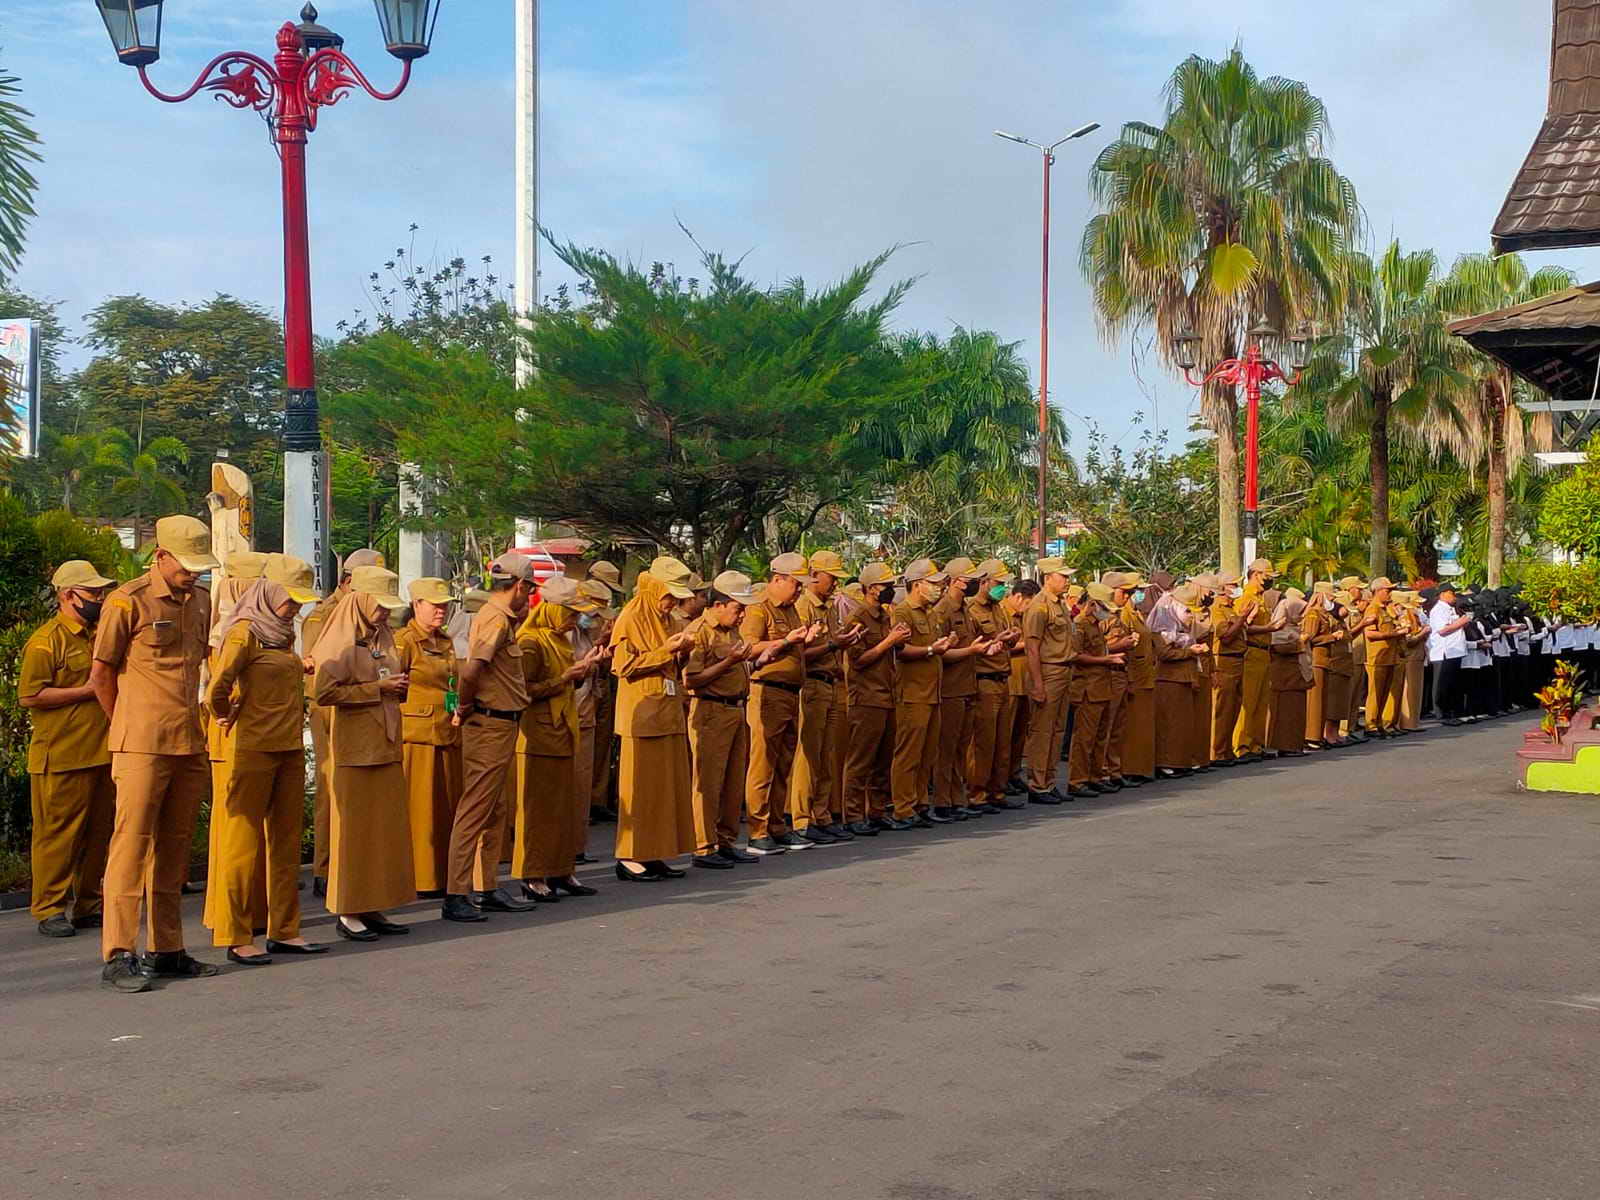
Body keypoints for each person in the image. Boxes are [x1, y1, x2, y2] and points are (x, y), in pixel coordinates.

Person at [90, 515, 220, 992]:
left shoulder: (202, 601)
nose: (195, 574)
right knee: (130, 844)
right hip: (141, 742)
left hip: (188, 740)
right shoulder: (127, 601)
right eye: (187, 565)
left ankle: (167, 948)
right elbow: (101, 671)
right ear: (160, 556)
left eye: (200, 567)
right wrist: (123, 723)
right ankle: (119, 952)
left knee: (175, 847)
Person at [205, 555, 324, 963]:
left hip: (289, 747)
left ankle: (285, 930)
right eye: (289, 599)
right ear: (269, 592)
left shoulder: (282, 635)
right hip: (252, 749)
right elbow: (216, 689)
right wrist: (226, 712)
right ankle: (235, 935)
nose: (295, 608)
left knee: (287, 843)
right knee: (241, 846)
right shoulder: (245, 634)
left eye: (299, 602)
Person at [311, 566, 417, 941]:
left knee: (381, 832)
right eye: (381, 606)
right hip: (355, 748)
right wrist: (377, 688)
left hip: (386, 743)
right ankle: (347, 909)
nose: (386, 613)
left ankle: (373, 904)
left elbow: (389, 678)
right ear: (360, 600)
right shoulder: (338, 639)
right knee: (353, 834)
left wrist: (394, 688)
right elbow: (324, 693)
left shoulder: (382, 635)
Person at [21, 560, 117, 939]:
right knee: (57, 836)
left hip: (103, 751)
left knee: (99, 834)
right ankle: (49, 908)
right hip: (61, 754)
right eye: (92, 593)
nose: (100, 598)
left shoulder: (100, 634)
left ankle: (89, 904)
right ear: (67, 596)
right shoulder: (46, 642)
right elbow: (30, 695)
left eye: (100, 592)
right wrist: (87, 690)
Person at [444, 553, 540, 920]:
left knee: (495, 809)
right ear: (520, 586)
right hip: (489, 723)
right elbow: (472, 672)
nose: (529, 596)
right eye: (529, 589)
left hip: (501, 723)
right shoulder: (495, 619)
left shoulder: (500, 618)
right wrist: (465, 707)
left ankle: (486, 886)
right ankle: (456, 892)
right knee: (474, 810)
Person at [513, 576, 605, 899]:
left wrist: (583, 672)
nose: (573, 620)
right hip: (538, 733)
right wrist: (566, 676)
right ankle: (534, 874)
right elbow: (523, 691)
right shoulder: (530, 642)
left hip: (564, 729)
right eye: (569, 613)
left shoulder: (561, 639)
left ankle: (562, 870)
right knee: (539, 808)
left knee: (566, 805)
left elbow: (565, 684)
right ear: (551, 609)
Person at [301, 547, 385, 898]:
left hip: (368, 705)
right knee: (333, 785)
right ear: (350, 581)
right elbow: (318, 671)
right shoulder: (324, 617)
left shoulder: (373, 618)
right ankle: (326, 864)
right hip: (331, 709)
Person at [610, 556, 698, 879]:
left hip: (669, 711)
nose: (672, 602)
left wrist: (684, 648)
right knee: (639, 788)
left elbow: (675, 659)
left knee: (665, 788)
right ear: (654, 587)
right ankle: (631, 856)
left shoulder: (671, 618)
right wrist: (665, 650)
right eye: (669, 594)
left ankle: (655, 851)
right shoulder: (631, 616)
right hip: (642, 717)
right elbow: (623, 665)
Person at [202, 549, 268, 934]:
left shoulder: (256, 627)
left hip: (247, 732)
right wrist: (228, 709)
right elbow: (217, 689)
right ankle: (229, 912)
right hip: (233, 733)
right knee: (234, 827)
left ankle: (251, 910)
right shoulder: (233, 631)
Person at [740, 552, 820, 853]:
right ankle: (757, 830)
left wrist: (804, 640)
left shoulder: (790, 611)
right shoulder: (759, 610)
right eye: (795, 584)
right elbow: (747, 648)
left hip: (789, 693)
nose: (799, 590)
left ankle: (777, 825)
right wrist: (786, 642)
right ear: (776, 580)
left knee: (784, 762)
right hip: (767, 691)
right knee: (763, 764)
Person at [683, 571, 762, 868]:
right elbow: (692, 680)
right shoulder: (699, 631)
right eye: (737, 608)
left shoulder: (731, 631)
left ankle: (726, 840)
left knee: (732, 781)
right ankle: (704, 845)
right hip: (711, 710)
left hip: (736, 709)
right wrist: (729, 662)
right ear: (719, 604)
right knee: (708, 781)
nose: (742, 615)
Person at [394, 577, 461, 898]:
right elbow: (395, 685)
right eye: (435, 605)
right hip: (418, 735)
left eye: (445, 605)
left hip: (448, 730)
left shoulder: (444, 641)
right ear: (416, 605)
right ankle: (420, 878)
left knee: (445, 808)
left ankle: (441, 874)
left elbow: (451, 684)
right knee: (420, 810)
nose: (441, 611)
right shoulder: (404, 641)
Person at [791, 550, 859, 842]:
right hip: (812, 684)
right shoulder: (802, 607)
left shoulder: (829, 608)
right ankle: (802, 819)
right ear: (815, 575)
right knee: (808, 756)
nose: (834, 584)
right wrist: (834, 644)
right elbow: (799, 652)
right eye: (832, 577)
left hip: (831, 684)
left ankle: (822, 815)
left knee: (827, 754)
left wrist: (841, 643)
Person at [841, 562, 907, 833]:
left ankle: (877, 810)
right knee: (861, 760)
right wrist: (888, 642)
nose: (890, 591)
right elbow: (858, 660)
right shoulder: (857, 619)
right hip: (866, 696)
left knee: (883, 758)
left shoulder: (885, 615)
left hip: (887, 694)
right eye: (885, 586)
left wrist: (898, 640)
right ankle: (854, 815)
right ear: (869, 589)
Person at [889, 559, 953, 827]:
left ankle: (919, 802)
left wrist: (943, 646)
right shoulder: (903, 612)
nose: (939, 588)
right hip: (912, 692)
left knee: (927, 754)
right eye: (934, 584)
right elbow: (900, 651)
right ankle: (903, 807)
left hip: (932, 692)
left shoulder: (932, 613)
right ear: (917, 585)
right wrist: (931, 650)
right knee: (908, 754)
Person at [932, 557, 996, 822]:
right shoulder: (942, 611)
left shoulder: (965, 610)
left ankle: (957, 797)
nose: (975, 584)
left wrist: (990, 646)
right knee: (946, 749)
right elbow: (940, 654)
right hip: (950, 688)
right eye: (970, 579)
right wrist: (971, 650)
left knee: (961, 748)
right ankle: (942, 801)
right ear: (956, 581)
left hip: (967, 686)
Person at [1065, 582, 1127, 799]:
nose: (1107, 613)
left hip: (1102, 686)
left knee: (1101, 736)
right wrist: (1105, 659)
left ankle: (1095, 776)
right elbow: (1074, 655)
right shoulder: (1079, 625)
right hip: (1087, 688)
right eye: (1104, 608)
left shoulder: (1095, 626)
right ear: (1092, 604)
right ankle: (1077, 780)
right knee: (1084, 738)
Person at [966, 560, 1020, 811]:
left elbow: (1002, 640)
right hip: (983, 680)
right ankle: (977, 793)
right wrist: (997, 640)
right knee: (983, 743)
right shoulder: (971, 610)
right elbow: (973, 647)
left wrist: (1008, 640)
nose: (1002, 589)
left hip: (1002, 677)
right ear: (984, 582)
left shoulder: (1000, 609)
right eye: (998, 584)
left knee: (1002, 742)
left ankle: (997, 792)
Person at [1022, 559, 1076, 804]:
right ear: (1049, 578)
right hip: (1048, 671)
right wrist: (1037, 684)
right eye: (1063, 577)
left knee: (1057, 730)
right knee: (1042, 730)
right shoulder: (1039, 607)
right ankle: (1037, 784)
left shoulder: (1059, 605)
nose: (1067, 581)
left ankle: (1049, 780)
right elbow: (1032, 648)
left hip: (1064, 670)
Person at [1149, 582, 1208, 778]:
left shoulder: (1183, 632)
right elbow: (1164, 653)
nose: (1190, 616)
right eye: (1187, 611)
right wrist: (1188, 652)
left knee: (1182, 724)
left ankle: (1180, 760)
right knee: (1169, 723)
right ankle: (1166, 762)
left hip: (1184, 678)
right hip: (1168, 679)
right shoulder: (1162, 630)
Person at [584, 561, 623, 824]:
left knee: (601, 743)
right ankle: (582, 799)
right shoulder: (579, 614)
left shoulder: (606, 615)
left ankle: (597, 798)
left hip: (602, 679)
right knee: (584, 746)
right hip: (583, 682)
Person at [1108, 571, 1156, 785]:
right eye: (1129, 591)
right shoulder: (1123, 614)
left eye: (1136, 591)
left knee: (1134, 726)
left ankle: (1132, 768)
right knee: (1124, 727)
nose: (1134, 595)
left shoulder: (1136, 613)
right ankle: (1122, 769)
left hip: (1142, 674)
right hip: (1130, 675)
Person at [1233, 559, 1279, 762]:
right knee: (1249, 701)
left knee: (1261, 702)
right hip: (1251, 652)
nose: (1269, 580)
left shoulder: (1262, 598)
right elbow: (1243, 627)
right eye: (1267, 576)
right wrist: (1269, 629)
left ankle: (1256, 745)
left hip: (1264, 652)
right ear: (1256, 574)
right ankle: (1242, 746)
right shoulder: (1247, 597)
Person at [1303, 583, 1353, 748]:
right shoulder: (1313, 614)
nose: (1332, 600)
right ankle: (1312, 737)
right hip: (1317, 660)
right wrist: (1331, 637)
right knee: (1316, 702)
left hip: (1327, 661)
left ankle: (1318, 736)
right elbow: (1310, 638)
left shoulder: (1325, 615)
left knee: (1323, 702)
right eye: (1330, 596)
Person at [1208, 572, 1248, 765]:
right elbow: (1225, 636)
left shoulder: (1232, 608)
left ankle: (1226, 751)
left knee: (1234, 708)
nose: (1236, 588)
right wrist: (1243, 619)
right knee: (1222, 709)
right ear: (1223, 588)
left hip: (1238, 660)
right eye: (1233, 585)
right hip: (1224, 661)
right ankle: (1217, 752)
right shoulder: (1217, 609)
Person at [1266, 590, 1311, 756]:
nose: (1301, 615)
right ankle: (1286, 746)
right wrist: (1300, 643)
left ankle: (1295, 744)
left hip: (1296, 675)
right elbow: (1278, 647)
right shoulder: (1279, 627)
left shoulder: (1293, 627)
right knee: (1286, 713)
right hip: (1285, 676)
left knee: (1296, 712)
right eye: (1298, 611)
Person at [1363, 577, 1405, 736]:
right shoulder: (1372, 609)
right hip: (1378, 657)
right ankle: (1371, 724)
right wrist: (1392, 634)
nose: (1390, 594)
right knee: (1375, 693)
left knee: (1385, 692)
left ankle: (1380, 722)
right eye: (1388, 591)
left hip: (1390, 656)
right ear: (1378, 591)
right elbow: (1370, 633)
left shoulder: (1385, 609)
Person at [1426, 582, 1470, 726]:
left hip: (1455, 651)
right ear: (1443, 594)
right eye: (1452, 593)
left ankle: (1451, 712)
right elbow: (1442, 630)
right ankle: (1441, 713)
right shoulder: (1438, 610)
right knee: (1441, 684)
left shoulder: (1451, 609)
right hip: (1444, 651)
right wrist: (1462, 621)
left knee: (1452, 684)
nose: (1454, 597)